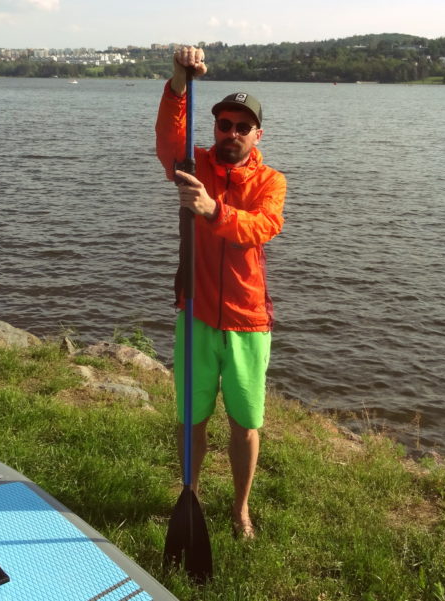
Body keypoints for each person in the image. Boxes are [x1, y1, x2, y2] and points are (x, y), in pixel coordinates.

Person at [155, 45, 286, 539]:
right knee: (191, 419)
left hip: (249, 321)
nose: (230, 133)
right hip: (195, 316)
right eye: (223, 125)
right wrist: (177, 85)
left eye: (241, 127)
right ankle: (189, 492)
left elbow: (262, 227)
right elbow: (170, 138)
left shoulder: (272, 181)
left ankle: (240, 509)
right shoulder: (194, 163)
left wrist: (213, 210)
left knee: (245, 423)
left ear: (257, 134)